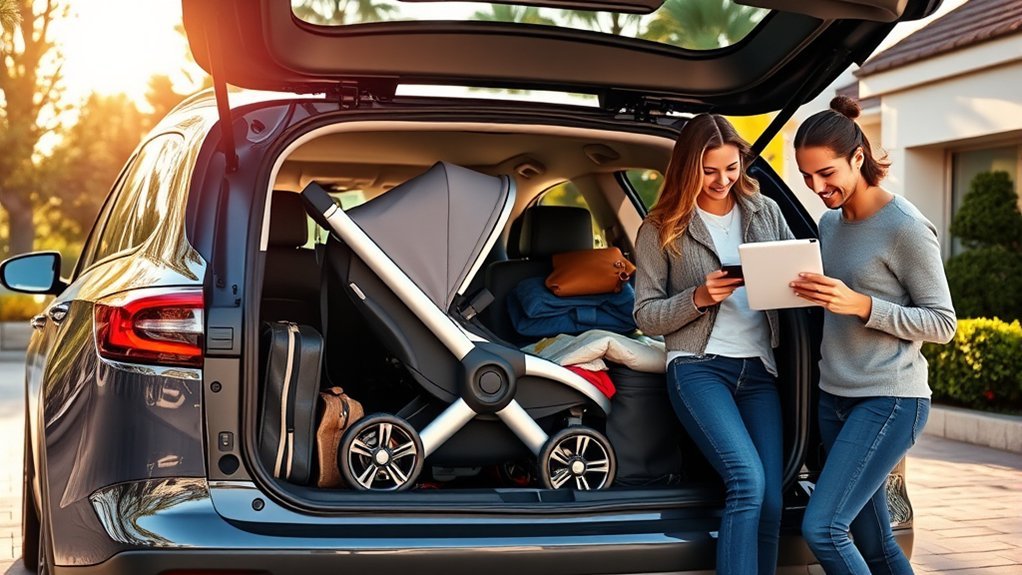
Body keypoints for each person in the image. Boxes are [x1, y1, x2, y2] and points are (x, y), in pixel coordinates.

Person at [790, 96, 957, 574]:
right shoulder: (827, 225)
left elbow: (943, 323)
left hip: (890, 399)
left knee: (823, 527)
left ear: (857, 158)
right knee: (876, 545)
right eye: (807, 177)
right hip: (833, 397)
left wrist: (863, 306)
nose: (817, 187)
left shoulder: (904, 227)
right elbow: (831, 303)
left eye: (827, 173)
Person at [633, 113, 794, 575]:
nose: (723, 180)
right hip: (699, 368)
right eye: (709, 170)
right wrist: (698, 297)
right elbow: (645, 315)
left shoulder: (765, 211)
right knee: (746, 481)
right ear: (688, 168)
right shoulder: (660, 227)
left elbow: (793, 269)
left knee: (771, 500)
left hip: (760, 370)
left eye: (731, 167)